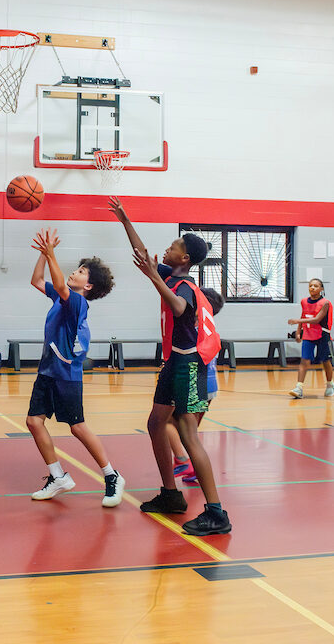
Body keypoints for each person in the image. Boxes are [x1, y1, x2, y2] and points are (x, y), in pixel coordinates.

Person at [109, 198, 231, 536]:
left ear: (185, 259)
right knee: (155, 423)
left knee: (189, 433)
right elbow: (145, 255)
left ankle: (216, 513)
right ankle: (171, 495)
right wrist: (124, 220)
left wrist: (153, 277)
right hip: (173, 361)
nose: (168, 248)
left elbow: (178, 308)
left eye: (174, 246)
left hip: (190, 364)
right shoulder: (168, 274)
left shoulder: (186, 286)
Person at [24, 228, 125, 509]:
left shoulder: (77, 302)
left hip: (66, 374)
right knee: (34, 422)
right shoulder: (60, 297)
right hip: (47, 370)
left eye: (81, 271)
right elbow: (36, 280)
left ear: (88, 285)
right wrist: (43, 255)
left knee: (77, 427)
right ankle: (58, 477)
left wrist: (51, 252)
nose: (75, 272)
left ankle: (112, 475)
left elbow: (58, 285)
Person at [170, 287, 223, 485]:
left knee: (167, 422)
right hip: (209, 384)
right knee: (190, 432)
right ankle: (194, 468)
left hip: (196, 380)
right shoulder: (211, 327)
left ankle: (182, 461)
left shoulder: (193, 329)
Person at [286, 278, 334, 399]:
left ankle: (330, 384)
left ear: (321, 289)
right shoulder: (304, 301)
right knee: (304, 361)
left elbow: (316, 320)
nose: (312, 288)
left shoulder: (325, 303)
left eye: (316, 286)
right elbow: (303, 315)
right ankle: (299, 388)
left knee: (325, 361)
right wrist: (298, 331)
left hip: (322, 334)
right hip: (308, 334)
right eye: (310, 286)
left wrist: (297, 321)